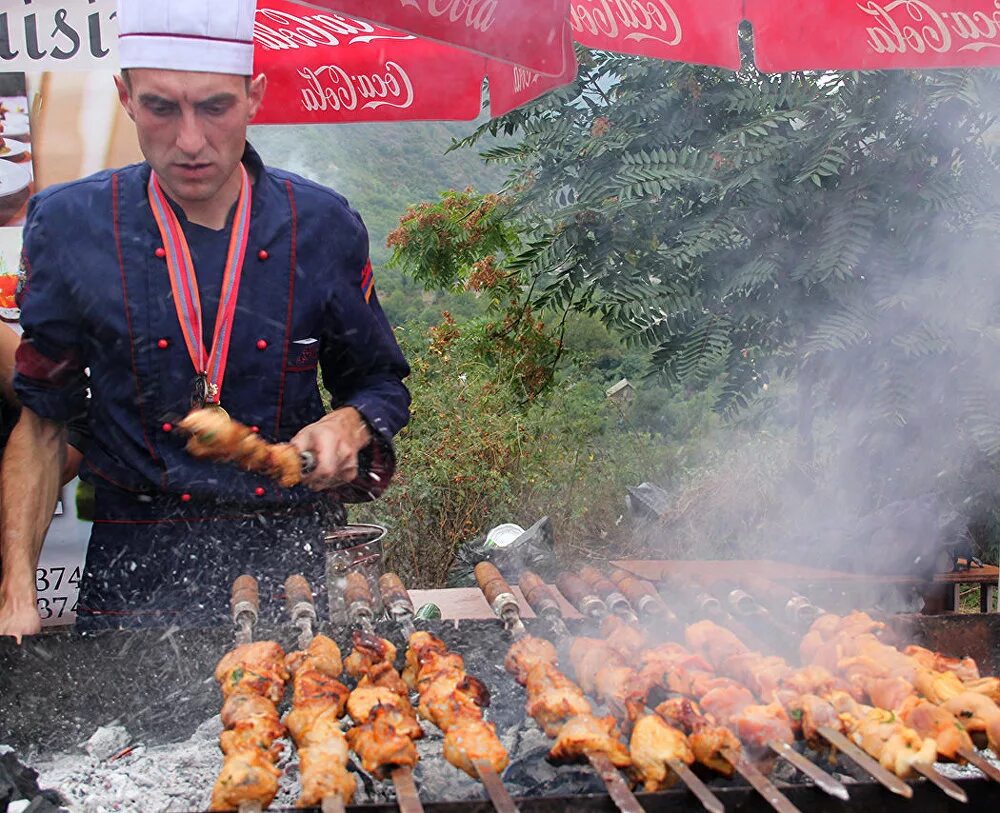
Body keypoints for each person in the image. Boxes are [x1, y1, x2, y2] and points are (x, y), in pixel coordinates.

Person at [0, 0, 410, 641]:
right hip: (131, 575)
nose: (190, 141)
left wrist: (349, 421)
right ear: (126, 97)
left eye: (215, 107)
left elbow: (380, 381)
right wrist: (15, 591)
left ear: (254, 96)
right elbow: (44, 421)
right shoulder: (67, 224)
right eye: (162, 107)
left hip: (286, 572)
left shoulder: (323, 227)